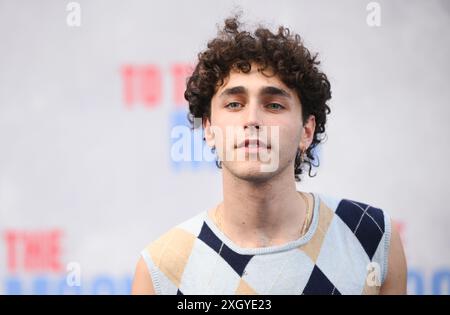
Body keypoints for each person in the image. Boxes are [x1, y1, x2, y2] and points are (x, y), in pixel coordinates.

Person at [131, 16, 407, 295]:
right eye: (234, 104)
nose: (252, 119)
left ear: (306, 131)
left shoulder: (371, 235)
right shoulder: (162, 269)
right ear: (209, 128)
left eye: (274, 105)